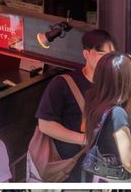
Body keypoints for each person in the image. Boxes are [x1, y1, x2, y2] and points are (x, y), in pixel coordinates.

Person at [31, 28, 115, 178]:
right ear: (86, 54)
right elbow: (45, 124)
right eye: (102, 54)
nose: (108, 59)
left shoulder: (112, 86)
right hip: (68, 168)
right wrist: (83, 139)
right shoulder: (62, 84)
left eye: (111, 55)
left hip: (101, 167)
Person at [81, 53, 131, 182]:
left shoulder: (94, 105)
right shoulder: (118, 113)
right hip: (116, 179)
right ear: (124, 81)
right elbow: (128, 160)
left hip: (98, 177)